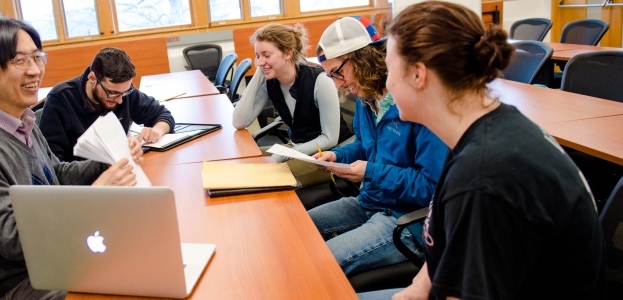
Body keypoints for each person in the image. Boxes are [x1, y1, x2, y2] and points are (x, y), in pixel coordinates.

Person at [375, 1, 606, 299]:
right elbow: (447, 251)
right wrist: (413, 291)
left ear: (418, 74)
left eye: (389, 68)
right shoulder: (481, 129)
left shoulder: (485, 177)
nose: (388, 82)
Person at [0, 18, 139, 299]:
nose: (35, 70)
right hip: (16, 280)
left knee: (145, 254)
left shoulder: (22, 120)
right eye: (20, 60)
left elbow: (56, 175)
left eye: (37, 57)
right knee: (130, 285)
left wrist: (106, 164)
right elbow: (15, 241)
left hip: (55, 254)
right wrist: (98, 195)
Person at [307, 16, 448, 277]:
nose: (339, 85)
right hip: (371, 201)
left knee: (316, 266)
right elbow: (366, 145)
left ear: (361, 57)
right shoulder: (366, 96)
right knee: (297, 228)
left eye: (338, 72)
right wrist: (336, 155)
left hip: (406, 220)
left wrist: (370, 172)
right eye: (331, 77)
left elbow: (432, 189)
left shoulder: (416, 103)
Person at [232, 23, 351, 187]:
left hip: (329, 154)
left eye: (266, 55)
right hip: (296, 147)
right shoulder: (271, 83)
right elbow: (239, 122)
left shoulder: (320, 81)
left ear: (287, 53)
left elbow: (329, 139)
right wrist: (259, 75)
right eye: (258, 56)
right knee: (244, 161)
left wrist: (286, 155)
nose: (260, 61)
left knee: (268, 177)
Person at [39, 47, 175, 162]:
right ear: (92, 78)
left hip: (119, 169)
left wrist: (156, 131)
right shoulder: (61, 99)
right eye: (113, 93)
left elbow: (163, 115)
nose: (120, 100)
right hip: (84, 185)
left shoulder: (122, 91)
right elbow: (53, 163)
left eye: (125, 93)